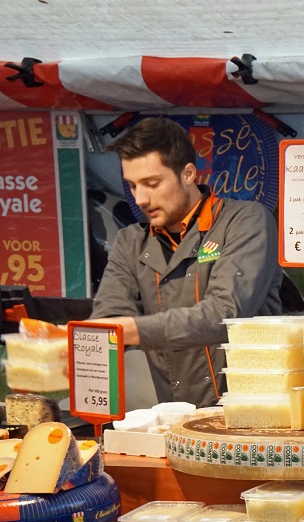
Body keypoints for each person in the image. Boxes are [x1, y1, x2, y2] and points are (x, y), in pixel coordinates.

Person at [90, 117, 283, 407]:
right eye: (131, 186)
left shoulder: (246, 220)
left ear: (189, 174)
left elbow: (225, 312)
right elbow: (108, 318)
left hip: (255, 412)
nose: (141, 198)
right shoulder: (131, 241)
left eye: (152, 183)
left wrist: (125, 330)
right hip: (176, 417)